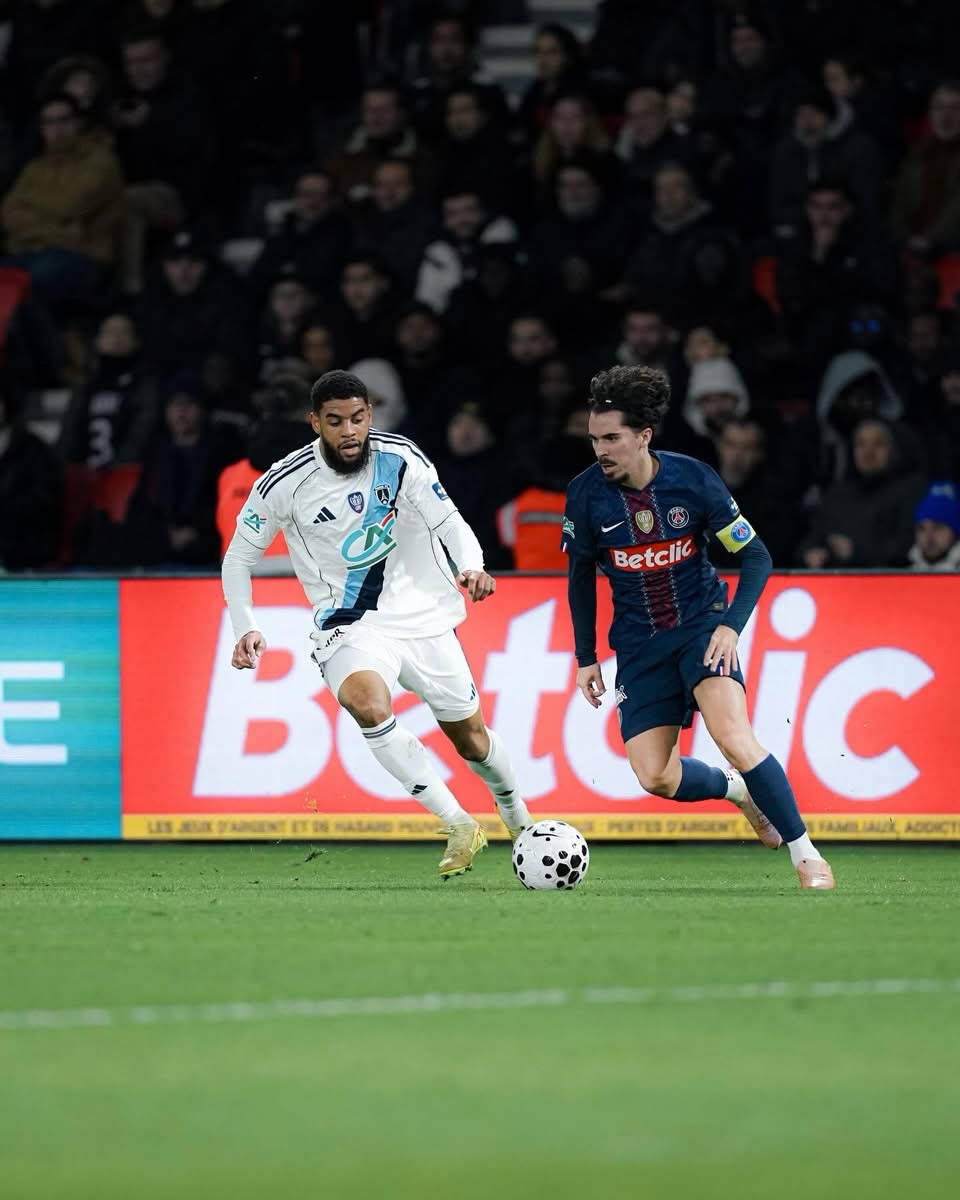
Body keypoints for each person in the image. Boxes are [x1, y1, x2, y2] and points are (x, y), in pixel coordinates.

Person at [221, 369, 532, 879]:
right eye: (335, 421)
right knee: (367, 704)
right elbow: (237, 559)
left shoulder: (401, 457)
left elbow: (448, 520)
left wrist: (472, 565)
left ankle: (519, 818)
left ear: (370, 415)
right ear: (315, 422)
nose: (349, 431)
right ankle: (458, 823)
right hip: (350, 623)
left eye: (357, 418)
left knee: (472, 740)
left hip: (425, 618)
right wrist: (245, 626)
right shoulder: (284, 483)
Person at [561, 365, 834, 890]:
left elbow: (756, 557)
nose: (600, 451)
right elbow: (579, 579)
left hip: (702, 628)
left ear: (644, 436)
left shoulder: (693, 479)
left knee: (733, 735)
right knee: (656, 777)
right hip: (639, 646)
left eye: (612, 438)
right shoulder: (585, 494)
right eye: (594, 440)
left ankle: (807, 856)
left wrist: (730, 627)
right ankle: (738, 792)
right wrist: (585, 657)